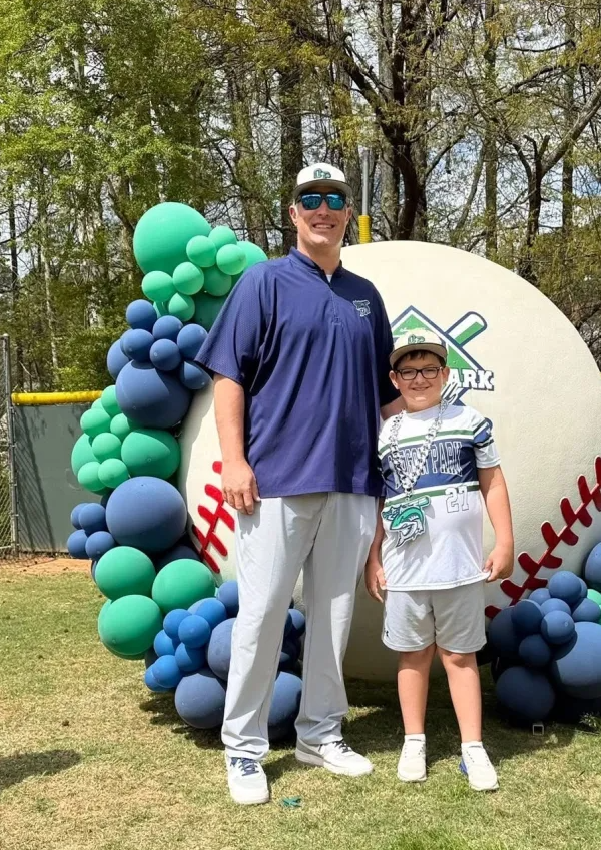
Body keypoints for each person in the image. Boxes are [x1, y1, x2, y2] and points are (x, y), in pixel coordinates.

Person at [195, 162, 402, 805]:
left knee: (334, 617)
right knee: (259, 615)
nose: (322, 208)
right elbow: (227, 375)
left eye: (334, 199)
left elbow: (387, 399)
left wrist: (442, 437)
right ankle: (245, 748)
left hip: (351, 480)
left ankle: (320, 733)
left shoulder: (366, 295)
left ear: (347, 212)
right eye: (309, 199)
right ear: (293, 213)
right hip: (276, 479)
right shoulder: (264, 283)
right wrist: (234, 460)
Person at [364, 329, 514, 791]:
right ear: (395, 377)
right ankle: (414, 740)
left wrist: (505, 540)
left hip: (459, 568)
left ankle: (473, 747)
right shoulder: (385, 432)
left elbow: (492, 482)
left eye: (430, 368)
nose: (419, 378)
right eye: (408, 371)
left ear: (446, 373)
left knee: (460, 656)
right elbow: (379, 503)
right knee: (412, 656)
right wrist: (373, 556)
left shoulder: (471, 420)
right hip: (405, 571)